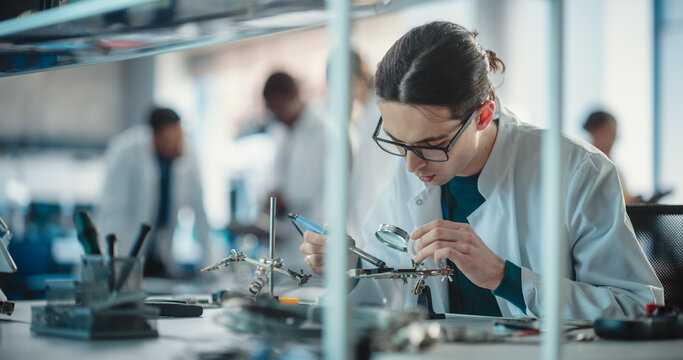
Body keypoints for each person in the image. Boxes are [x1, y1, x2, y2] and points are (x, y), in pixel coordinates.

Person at [300, 21, 663, 320]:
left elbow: (637, 309)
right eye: (399, 142)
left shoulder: (576, 170)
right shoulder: (412, 167)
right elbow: (393, 287)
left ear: (483, 116)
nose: (411, 164)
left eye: (431, 143)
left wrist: (505, 278)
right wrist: (352, 269)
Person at [96, 107, 210, 278]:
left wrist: (210, 265)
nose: (177, 146)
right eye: (171, 140)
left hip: (160, 254)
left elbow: (200, 213)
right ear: (154, 136)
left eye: (179, 138)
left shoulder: (188, 156)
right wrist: (111, 261)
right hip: (126, 252)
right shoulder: (126, 151)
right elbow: (113, 211)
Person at [260, 71, 328, 224]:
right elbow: (277, 177)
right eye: (272, 111)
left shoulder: (322, 131)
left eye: (280, 109)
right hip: (287, 228)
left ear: (294, 96)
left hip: (315, 223)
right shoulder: (280, 131)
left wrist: (285, 199)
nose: (277, 116)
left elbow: (316, 192)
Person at [583, 110, 644, 204]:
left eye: (615, 134)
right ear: (593, 131)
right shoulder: (587, 164)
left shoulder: (612, 166)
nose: (613, 139)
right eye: (609, 132)